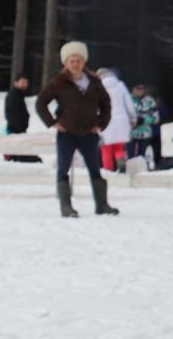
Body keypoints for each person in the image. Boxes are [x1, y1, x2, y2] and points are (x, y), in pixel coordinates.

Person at [35, 41, 120, 218]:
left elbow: (106, 103)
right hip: (67, 133)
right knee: (63, 169)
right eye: (72, 60)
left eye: (79, 60)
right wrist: (52, 122)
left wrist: (101, 124)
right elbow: (41, 102)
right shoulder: (58, 82)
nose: (75, 64)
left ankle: (102, 205)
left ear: (84, 61)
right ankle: (66, 207)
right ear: (65, 63)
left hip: (89, 133)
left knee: (95, 169)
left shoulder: (95, 81)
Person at [96, 67, 136, 173]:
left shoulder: (97, 87)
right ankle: (120, 160)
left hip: (105, 120)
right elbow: (129, 103)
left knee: (106, 148)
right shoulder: (120, 85)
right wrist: (133, 118)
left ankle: (108, 170)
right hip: (121, 120)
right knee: (118, 146)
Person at [3, 76, 41, 162]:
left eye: (26, 82)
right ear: (16, 83)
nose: (24, 84)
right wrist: (19, 127)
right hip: (15, 130)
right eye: (22, 82)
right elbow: (11, 114)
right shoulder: (13, 96)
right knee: (18, 153)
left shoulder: (19, 95)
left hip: (19, 130)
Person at [129, 84, 160, 169]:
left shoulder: (150, 101)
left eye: (143, 88)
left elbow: (156, 117)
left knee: (142, 157)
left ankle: (142, 173)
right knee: (130, 156)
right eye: (138, 88)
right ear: (133, 89)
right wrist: (133, 121)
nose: (140, 90)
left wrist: (143, 120)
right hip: (130, 133)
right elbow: (122, 115)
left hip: (144, 132)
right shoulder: (127, 99)